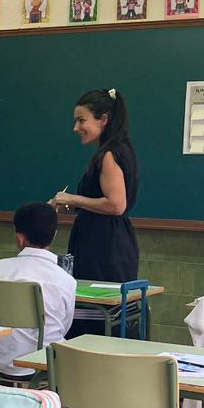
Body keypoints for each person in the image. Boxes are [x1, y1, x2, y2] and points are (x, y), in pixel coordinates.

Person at [53, 88, 141, 289]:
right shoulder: (118, 150)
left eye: (81, 120)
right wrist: (73, 205)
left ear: (103, 120)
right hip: (103, 239)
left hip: (104, 245)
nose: (76, 128)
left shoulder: (110, 155)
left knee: (98, 303)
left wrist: (72, 199)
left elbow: (116, 205)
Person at [0, 202, 77, 376]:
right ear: (54, 235)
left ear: (20, 237)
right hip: (47, 365)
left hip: (2, 363)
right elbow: (65, 325)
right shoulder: (67, 280)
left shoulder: (0, 269)